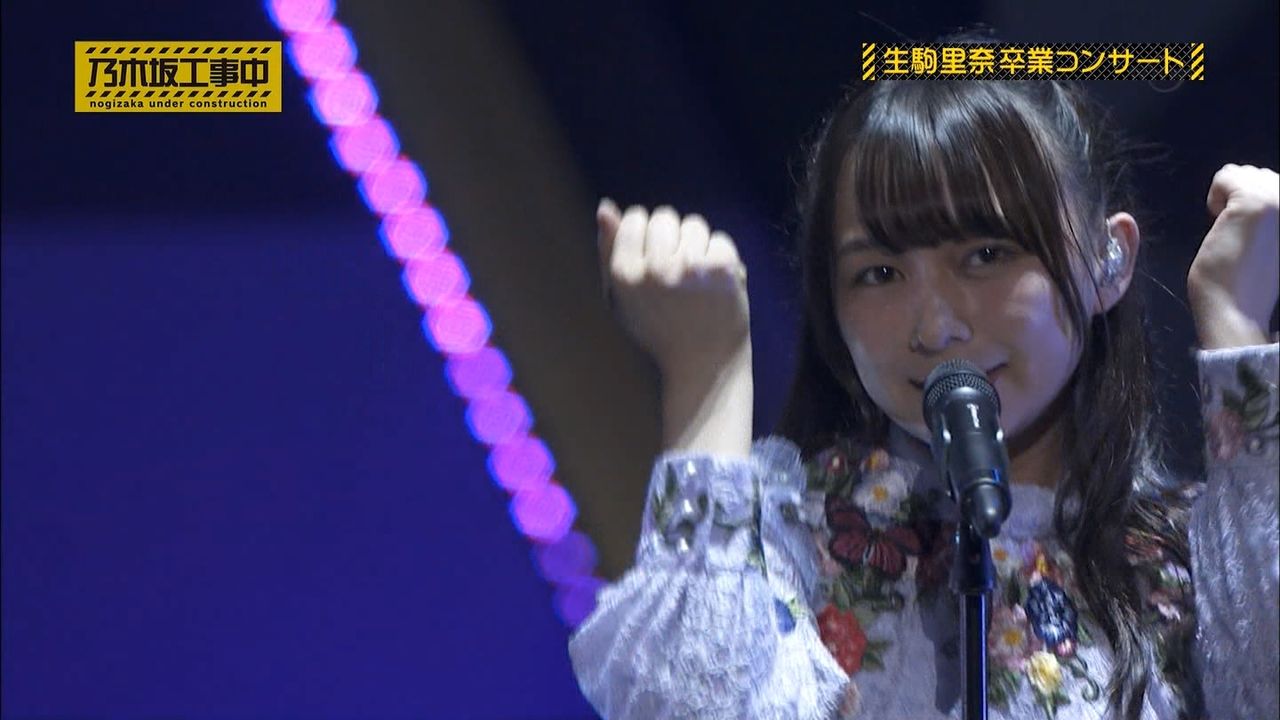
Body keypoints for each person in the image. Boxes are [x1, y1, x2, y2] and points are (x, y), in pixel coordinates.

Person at [568, 72, 1279, 720]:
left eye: (986, 255)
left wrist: (1237, 325)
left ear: (1108, 259)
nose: (936, 327)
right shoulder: (786, 537)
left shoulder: (1191, 561)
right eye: (879, 273)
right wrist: (708, 377)